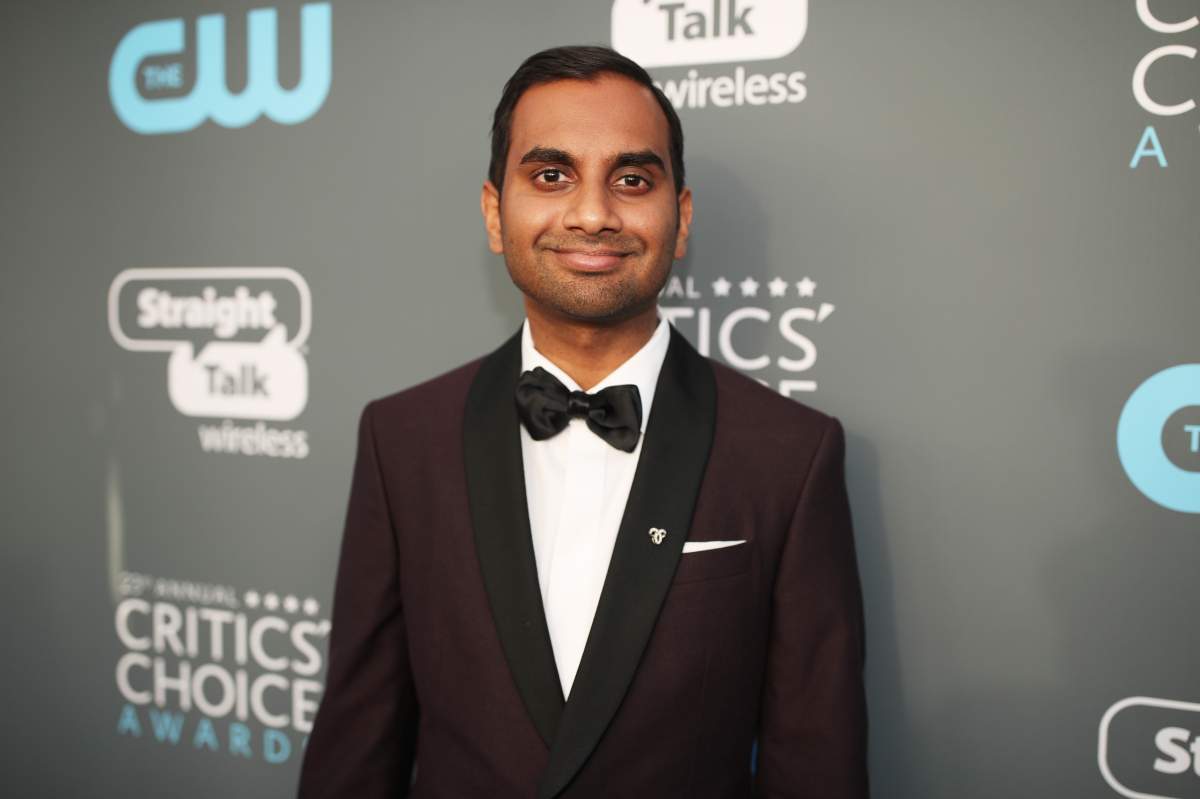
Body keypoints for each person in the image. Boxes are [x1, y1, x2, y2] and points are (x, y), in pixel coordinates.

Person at [298, 45, 868, 798]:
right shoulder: (400, 441)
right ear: (495, 213)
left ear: (680, 218)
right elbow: (357, 746)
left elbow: (818, 764)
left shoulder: (791, 455)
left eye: (631, 180)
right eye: (551, 176)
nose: (594, 214)